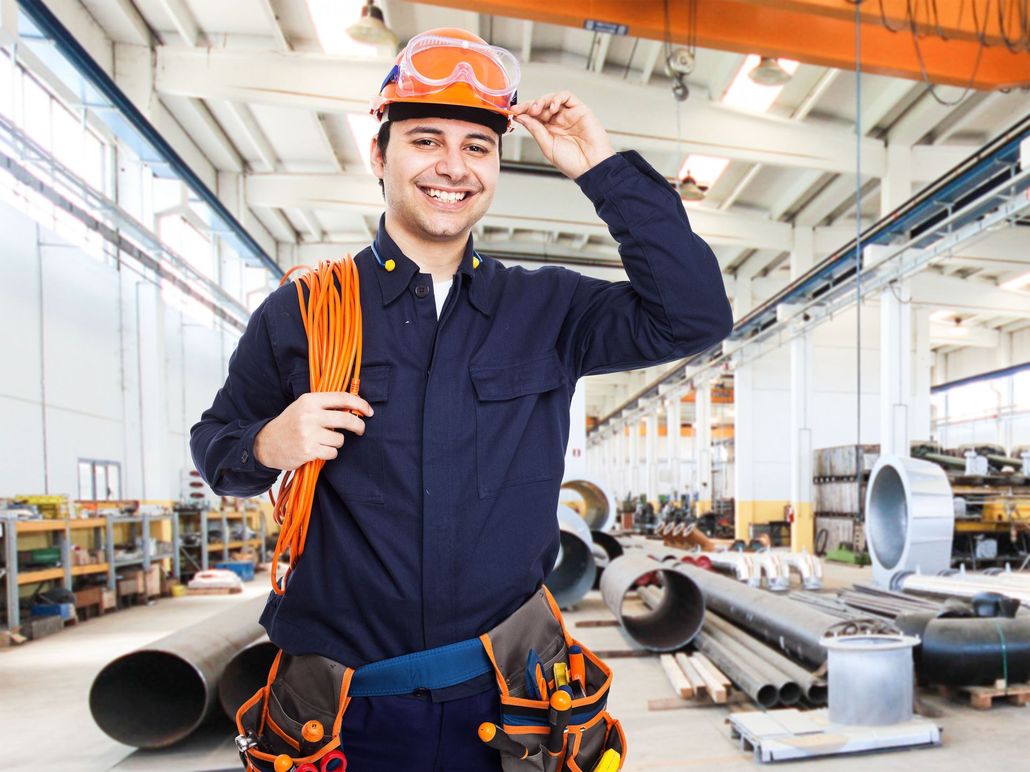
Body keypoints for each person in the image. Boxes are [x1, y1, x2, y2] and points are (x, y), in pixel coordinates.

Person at [191, 27, 732, 771]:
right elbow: (216, 446)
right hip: (349, 712)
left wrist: (601, 168)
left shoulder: (548, 311)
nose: (453, 167)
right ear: (378, 155)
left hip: (511, 703)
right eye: (425, 140)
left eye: (477, 147)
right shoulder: (304, 312)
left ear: (497, 167)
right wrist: (265, 445)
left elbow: (695, 313)